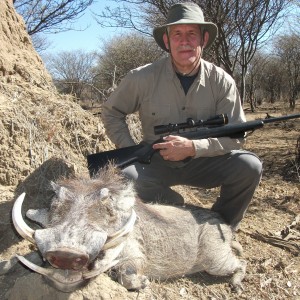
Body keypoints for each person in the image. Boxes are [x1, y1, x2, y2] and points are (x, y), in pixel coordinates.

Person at [101, 2, 262, 230]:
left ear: (203, 39)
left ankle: (222, 227)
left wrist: (194, 147)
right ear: (167, 41)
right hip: (155, 162)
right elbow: (112, 112)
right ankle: (178, 210)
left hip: (205, 161)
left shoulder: (222, 81)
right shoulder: (142, 77)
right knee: (123, 177)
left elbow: (237, 136)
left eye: (191, 34)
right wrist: (133, 151)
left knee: (249, 165)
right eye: (177, 34)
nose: (184, 41)